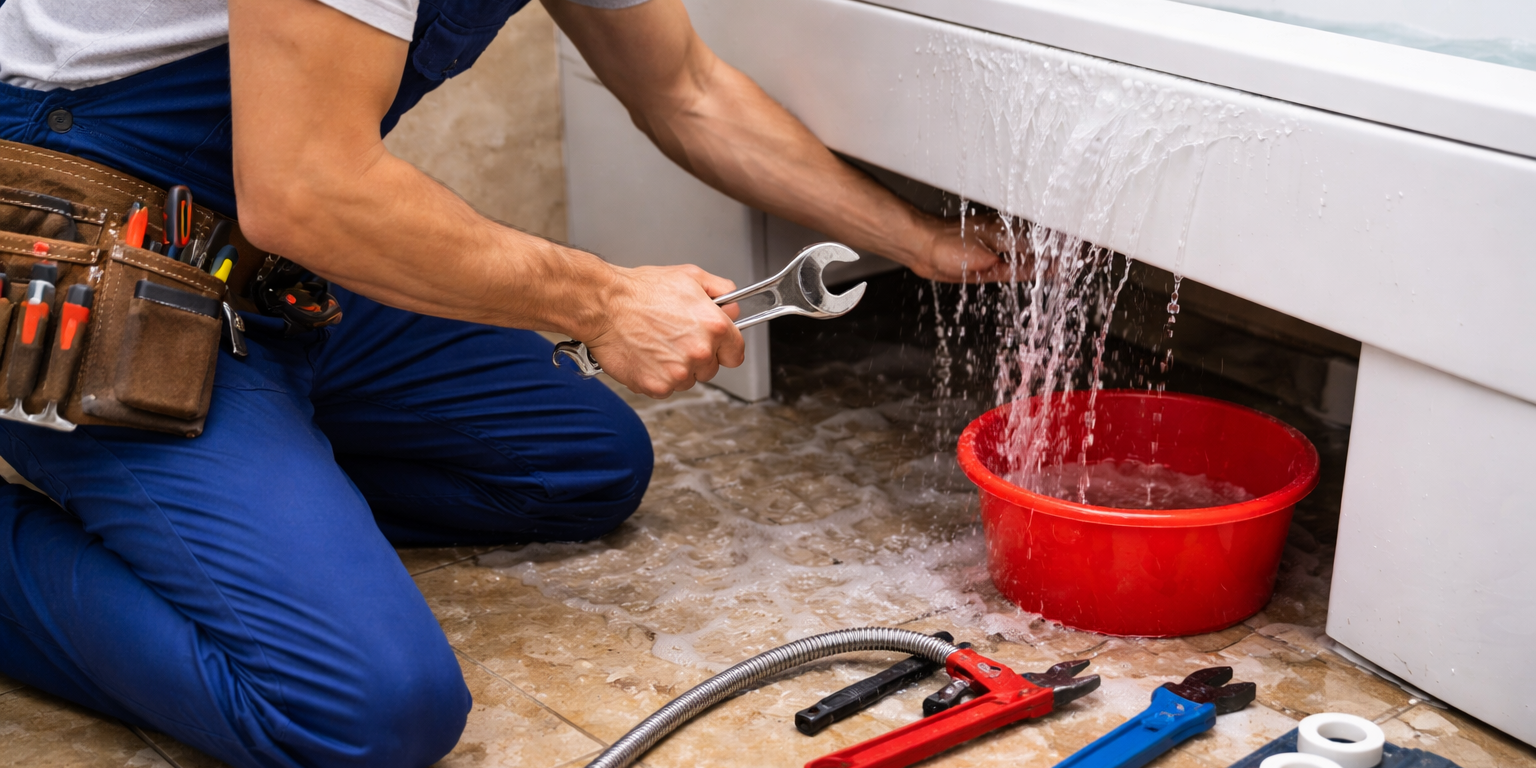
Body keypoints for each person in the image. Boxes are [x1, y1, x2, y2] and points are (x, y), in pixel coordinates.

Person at [0, 0, 1010, 766]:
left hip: (263, 269)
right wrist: (604, 302)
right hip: (92, 252)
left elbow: (686, 88)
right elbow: (306, 190)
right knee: (362, 713)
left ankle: (245, 482)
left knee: (579, 463)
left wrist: (918, 242)